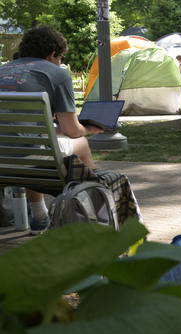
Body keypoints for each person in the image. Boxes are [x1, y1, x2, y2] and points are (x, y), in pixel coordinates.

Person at [0, 25, 104, 234]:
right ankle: (92, 207)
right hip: (28, 157)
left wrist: (60, 130)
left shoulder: (3, 69)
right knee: (81, 143)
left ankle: (39, 216)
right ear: (52, 54)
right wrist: (86, 129)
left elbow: (26, 128)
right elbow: (73, 131)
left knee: (39, 142)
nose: (61, 63)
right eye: (61, 58)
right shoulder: (57, 74)